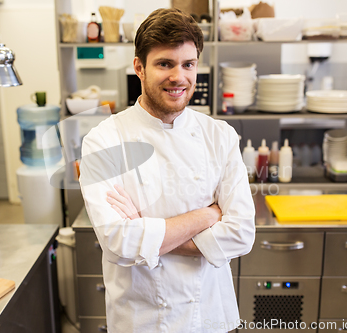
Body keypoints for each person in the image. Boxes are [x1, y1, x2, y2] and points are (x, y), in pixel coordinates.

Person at [79, 8, 255, 333]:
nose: (179, 77)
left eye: (188, 64)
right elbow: (117, 242)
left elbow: (242, 234)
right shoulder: (104, 140)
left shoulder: (220, 136)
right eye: (164, 64)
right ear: (139, 68)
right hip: (142, 320)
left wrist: (146, 233)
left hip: (211, 317)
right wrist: (206, 217)